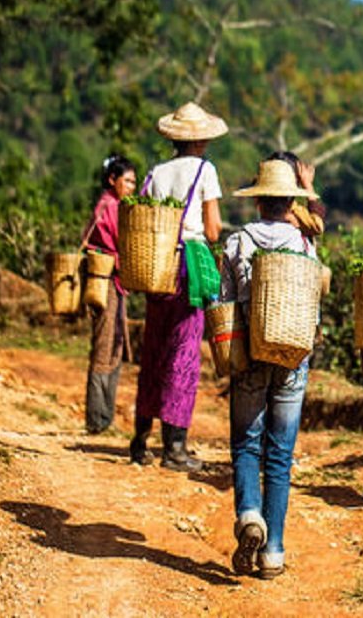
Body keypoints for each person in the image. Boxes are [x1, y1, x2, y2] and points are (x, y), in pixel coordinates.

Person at [221, 158, 318, 579]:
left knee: (246, 441)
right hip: (293, 357)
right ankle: (273, 551)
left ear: (259, 200)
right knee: (280, 453)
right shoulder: (304, 246)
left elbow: (224, 306)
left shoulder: (237, 243)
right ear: (290, 203)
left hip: (252, 355)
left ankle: (248, 515)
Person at [129, 101, 226, 470]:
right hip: (189, 267)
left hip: (157, 264)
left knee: (153, 348)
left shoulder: (156, 172)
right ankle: (175, 447)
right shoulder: (205, 170)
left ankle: (140, 440)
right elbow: (213, 228)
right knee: (183, 353)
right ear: (201, 140)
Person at [83, 155, 136, 434]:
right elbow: (119, 242)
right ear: (112, 180)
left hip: (114, 283)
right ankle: (97, 418)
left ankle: (104, 416)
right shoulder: (110, 207)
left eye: (133, 182)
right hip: (106, 283)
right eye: (126, 180)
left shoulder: (113, 205)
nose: (130, 186)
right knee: (104, 347)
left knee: (113, 345)